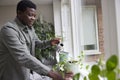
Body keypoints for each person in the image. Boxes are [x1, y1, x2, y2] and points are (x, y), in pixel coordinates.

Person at [0, 0, 73, 80]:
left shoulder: (30, 28)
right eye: (30, 15)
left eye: (34, 16)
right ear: (19, 13)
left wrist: (50, 42)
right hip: (11, 76)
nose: (33, 18)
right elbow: (23, 56)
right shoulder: (8, 30)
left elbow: (38, 43)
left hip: (26, 74)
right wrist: (55, 75)